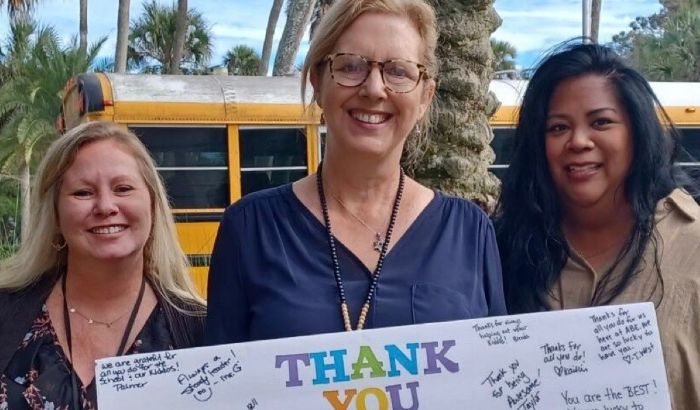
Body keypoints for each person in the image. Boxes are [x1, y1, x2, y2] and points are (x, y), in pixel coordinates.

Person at [205, 0, 506, 344]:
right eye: (350, 66)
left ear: (425, 96)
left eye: (399, 71)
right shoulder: (251, 228)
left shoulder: (469, 231)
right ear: (318, 82)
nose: (374, 89)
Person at [493, 42, 700, 409]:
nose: (579, 142)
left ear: (637, 131)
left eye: (601, 122)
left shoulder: (693, 244)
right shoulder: (502, 250)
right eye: (558, 127)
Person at [0, 121, 205, 409]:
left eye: (123, 188)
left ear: (153, 205)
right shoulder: (6, 313)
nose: (106, 206)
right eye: (83, 193)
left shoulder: (201, 329)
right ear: (55, 214)